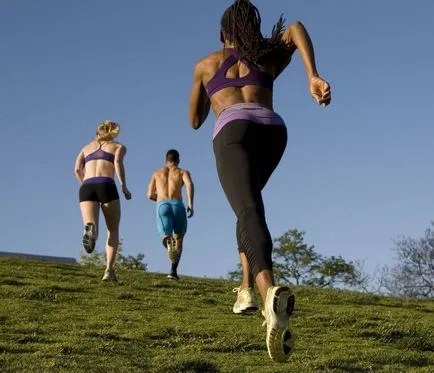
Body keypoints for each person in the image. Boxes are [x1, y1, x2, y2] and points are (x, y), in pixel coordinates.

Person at [188, 0, 331, 362]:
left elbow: (194, 120)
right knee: (248, 209)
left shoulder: (206, 65)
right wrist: (312, 76)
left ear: (223, 34)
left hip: (233, 131)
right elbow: (296, 26)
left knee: (247, 208)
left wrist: (209, 91)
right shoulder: (265, 58)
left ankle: (268, 295)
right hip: (272, 130)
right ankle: (246, 290)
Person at [74, 120, 132, 282]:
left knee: (92, 224)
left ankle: (90, 229)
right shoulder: (118, 147)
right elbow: (118, 163)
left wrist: (85, 183)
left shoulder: (86, 148)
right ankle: (109, 271)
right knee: (112, 230)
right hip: (106, 185)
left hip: (86, 186)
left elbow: (77, 169)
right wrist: (124, 187)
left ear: (97, 133)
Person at [147, 149, 194, 280]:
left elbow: (149, 194)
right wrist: (190, 204)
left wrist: (161, 199)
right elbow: (189, 184)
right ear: (178, 160)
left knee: (166, 235)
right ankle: (173, 271)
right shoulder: (183, 172)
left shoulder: (157, 173)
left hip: (162, 205)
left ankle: (168, 240)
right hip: (178, 205)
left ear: (166, 160)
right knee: (179, 239)